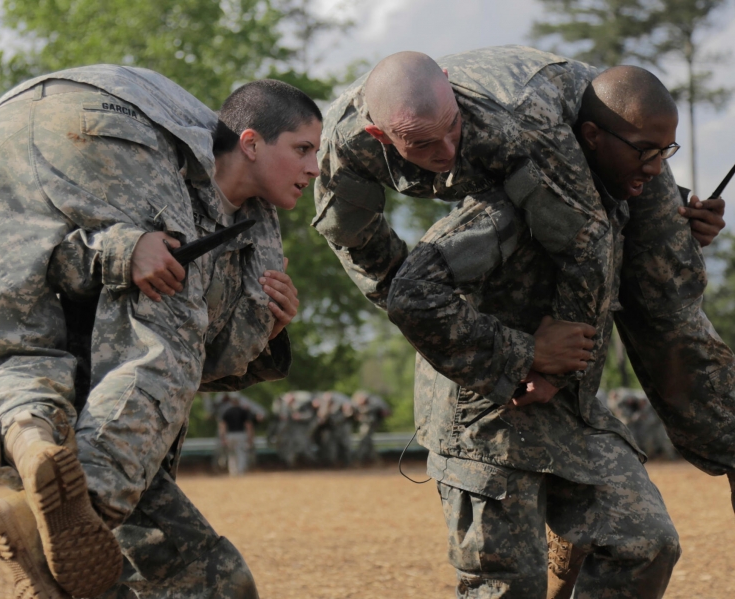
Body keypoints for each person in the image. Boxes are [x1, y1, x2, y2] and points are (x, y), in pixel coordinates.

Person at [313, 44, 735, 516]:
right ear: (380, 134)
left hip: (612, 133)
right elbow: (362, 250)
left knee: (668, 303)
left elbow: (586, 241)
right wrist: (468, 342)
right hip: (532, 169)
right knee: (497, 297)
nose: (447, 151)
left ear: (453, 91)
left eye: (452, 130)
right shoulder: (344, 146)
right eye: (423, 143)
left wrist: (556, 365)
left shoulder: (517, 120)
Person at [0, 69, 315, 597]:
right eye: (303, 149)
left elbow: (54, 267)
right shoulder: (181, 167)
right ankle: (80, 505)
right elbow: (175, 351)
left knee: (9, 340)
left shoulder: (244, 223)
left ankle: (28, 440)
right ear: (250, 144)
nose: (315, 168)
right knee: (164, 323)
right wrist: (129, 248)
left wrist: (270, 329)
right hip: (106, 113)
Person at [388, 65, 683, 597]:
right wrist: (522, 356)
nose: (656, 167)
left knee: (646, 545)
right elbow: (412, 294)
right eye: (645, 150)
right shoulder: (506, 206)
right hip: (489, 420)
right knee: (508, 587)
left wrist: (683, 223)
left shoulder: (618, 199)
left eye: (666, 151)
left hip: (569, 413)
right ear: (591, 138)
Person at [218, 394, 257, 475]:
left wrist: (223, 437)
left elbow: (223, 426)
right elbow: (248, 425)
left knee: (231, 454)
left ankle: (233, 472)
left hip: (230, 435)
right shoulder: (243, 411)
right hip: (240, 434)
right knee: (241, 453)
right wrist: (250, 436)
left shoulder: (227, 411)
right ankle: (240, 471)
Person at [350, 390, 391, 465]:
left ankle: (358, 460)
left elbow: (380, 410)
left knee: (364, 441)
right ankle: (377, 461)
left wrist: (363, 410)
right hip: (367, 423)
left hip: (370, 424)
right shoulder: (368, 403)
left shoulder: (373, 401)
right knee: (367, 442)